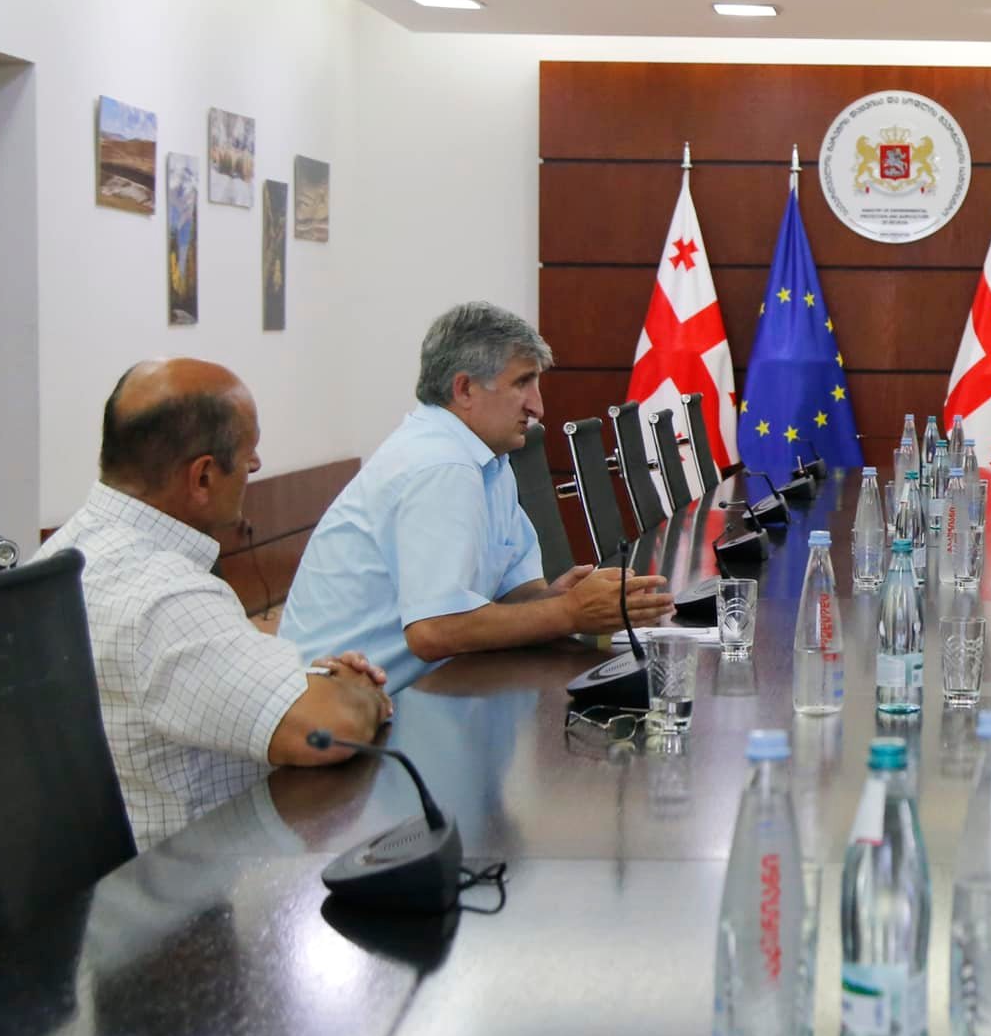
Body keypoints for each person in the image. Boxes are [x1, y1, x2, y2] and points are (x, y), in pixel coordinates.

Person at [36, 359, 393, 849]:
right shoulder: (166, 597)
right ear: (203, 476)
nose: (256, 465)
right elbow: (330, 729)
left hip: (109, 866)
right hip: (201, 879)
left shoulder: (59, 554)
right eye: (248, 453)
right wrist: (359, 687)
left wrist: (321, 683)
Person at [282, 303, 672, 692]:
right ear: (465, 389)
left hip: (420, 691)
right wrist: (568, 612)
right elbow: (433, 631)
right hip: (335, 709)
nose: (537, 406)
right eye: (522, 383)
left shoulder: (490, 459)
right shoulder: (440, 464)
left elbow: (511, 595)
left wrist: (559, 599)